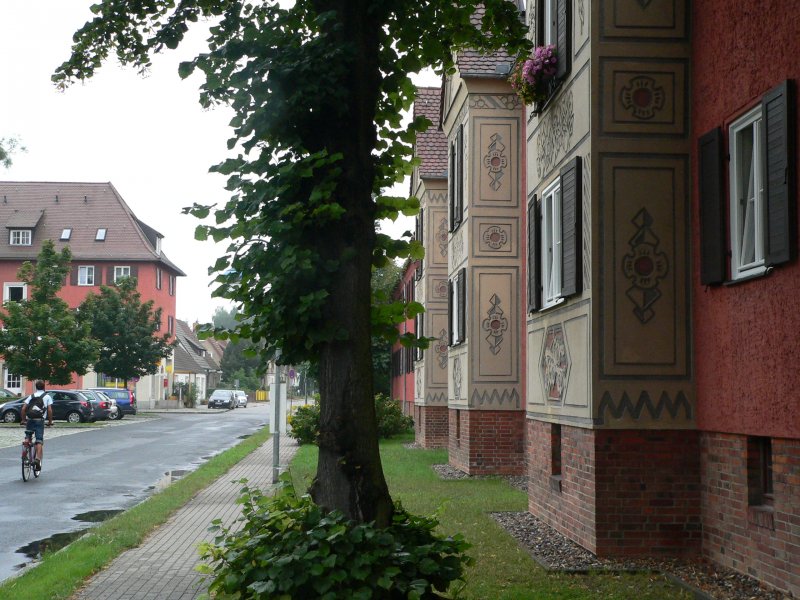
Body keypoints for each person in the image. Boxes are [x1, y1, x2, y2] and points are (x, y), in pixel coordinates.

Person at [20, 381, 53, 469]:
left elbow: (23, 408)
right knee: (39, 440)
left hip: (30, 419)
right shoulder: (47, 396)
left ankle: (25, 448)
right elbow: (49, 410)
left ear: (36, 387)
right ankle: (37, 459)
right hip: (40, 420)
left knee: (28, 435)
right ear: (43, 387)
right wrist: (50, 421)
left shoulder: (31, 396)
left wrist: (23, 420)